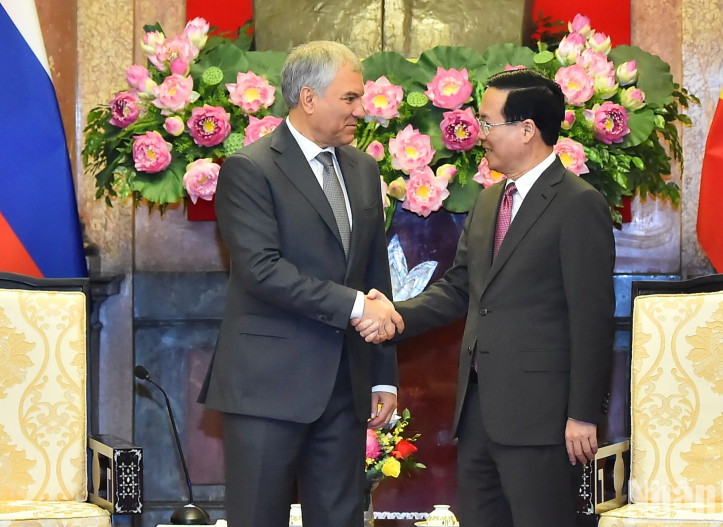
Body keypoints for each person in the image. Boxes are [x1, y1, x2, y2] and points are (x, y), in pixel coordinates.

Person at [356, 68, 615, 526]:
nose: (480, 134)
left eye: (489, 122)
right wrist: (395, 315)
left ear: (527, 129)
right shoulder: (488, 202)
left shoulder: (578, 203)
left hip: (545, 419)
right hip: (479, 414)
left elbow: (592, 317)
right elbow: (459, 289)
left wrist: (583, 414)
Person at [199, 41, 402, 527]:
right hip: (266, 387)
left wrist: (382, 374)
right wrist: (355, 306)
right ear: (308, 98)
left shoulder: (362, 166)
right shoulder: (250, 169)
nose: (361, 109)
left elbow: (375, 276)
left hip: (345, 388)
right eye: (350, 98)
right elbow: (262, 269)